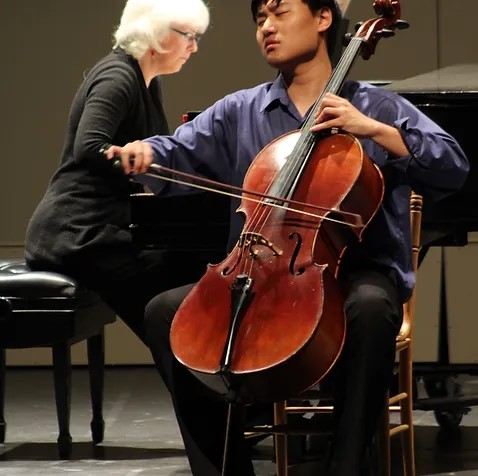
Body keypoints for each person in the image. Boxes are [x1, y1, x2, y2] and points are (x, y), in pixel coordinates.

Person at [107, 0, 469, 474]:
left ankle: (346, 466)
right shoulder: (241, 110)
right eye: (260, 19)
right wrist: (144, 151)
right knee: (165, 313)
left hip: (356, 274)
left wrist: (376, 132)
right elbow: (178, 152)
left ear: (323, 20)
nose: (267, 28)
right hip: (263, 277)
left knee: (372, 307)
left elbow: (452, 166)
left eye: (280, 13)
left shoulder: (377, 107)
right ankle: (224, 469)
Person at [24, 0, 210, 345]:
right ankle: (198, 385)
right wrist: (130, 160)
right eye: (188, 36)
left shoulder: (148, 81)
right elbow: (89, 145)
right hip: (78, 233)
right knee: (171, 306)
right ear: (155, 33)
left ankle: (202, 383)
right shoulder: (118, 76)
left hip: (102, 230)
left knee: (189, 269)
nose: (194, 47)